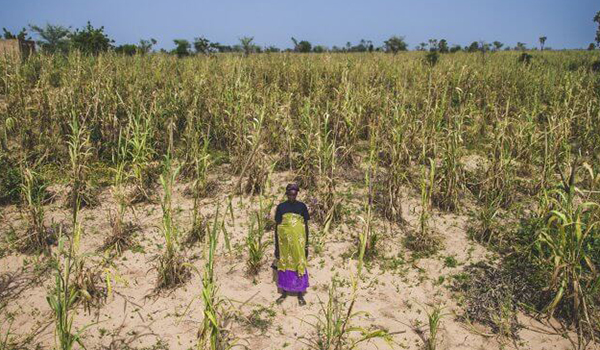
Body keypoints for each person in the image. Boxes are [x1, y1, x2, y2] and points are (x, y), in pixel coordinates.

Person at [273, 183, 310, 306]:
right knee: (284, 263)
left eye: (294, 194)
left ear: (297, 194)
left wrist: (306, 245)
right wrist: (277, 247)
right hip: (284, 243)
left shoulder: (302, 207)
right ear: (286, 194)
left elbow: (306, 227)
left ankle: (300, 293)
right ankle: (284, 292)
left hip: (299, 242)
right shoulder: (281, 207)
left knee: (299, 263)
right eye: (290, 194)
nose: (292, 197)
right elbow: (277, 227)